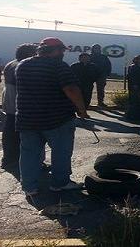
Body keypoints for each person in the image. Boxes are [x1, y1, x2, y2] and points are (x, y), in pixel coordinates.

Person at [16, 37, 88, 197]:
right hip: (57, 119)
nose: (63, 53)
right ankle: (60, 183)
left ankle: (29, 187)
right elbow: (71, 89)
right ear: (54, 50)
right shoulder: (58, 65)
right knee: (61, 152)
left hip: (28, 118)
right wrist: (82, 110)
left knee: (29, 154)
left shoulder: (23, 65)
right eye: (61, 50)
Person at [1, 43, 38, 169]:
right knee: (22, 135)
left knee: (10, 131)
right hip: (19, 103)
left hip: (10, 101)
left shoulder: (11, 64)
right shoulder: (23, 66)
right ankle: (17, 160)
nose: (37, 55)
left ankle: (9, 158)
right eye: (34, 52)